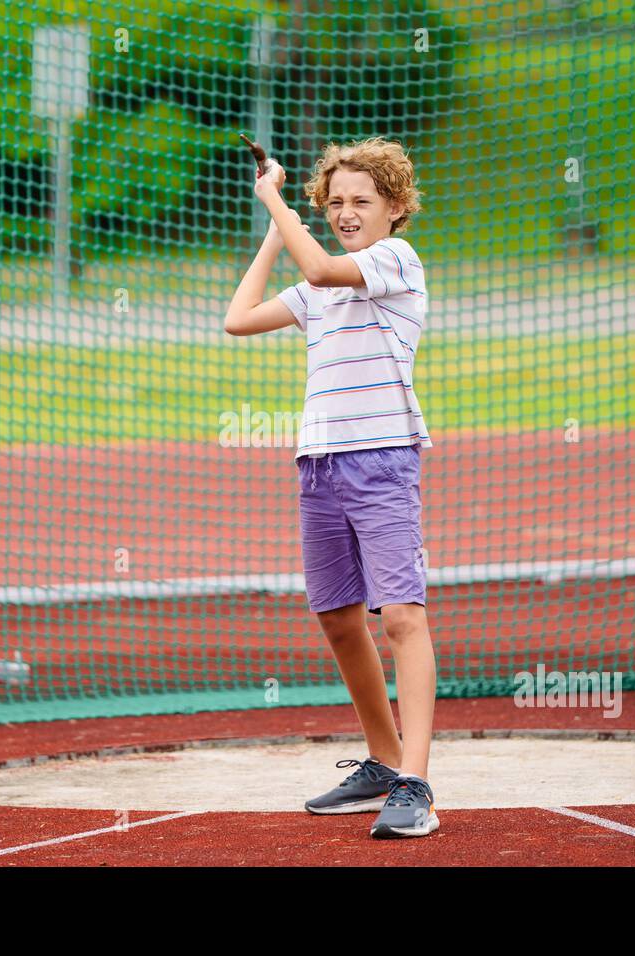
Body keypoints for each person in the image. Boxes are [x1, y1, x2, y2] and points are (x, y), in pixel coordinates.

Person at [223, 137, 437, 838]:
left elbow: (316, 260)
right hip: (319, 464)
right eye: (336, 201)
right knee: (340, 617)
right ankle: (379, 759)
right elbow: (239, 318)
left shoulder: (394, 261)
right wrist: (271, 226)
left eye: (361, 202)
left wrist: (276, 199)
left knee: (400, 617)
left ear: (395, 208)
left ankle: (415, 783)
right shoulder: (318, 289)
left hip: (381, 461)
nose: (347, 212)